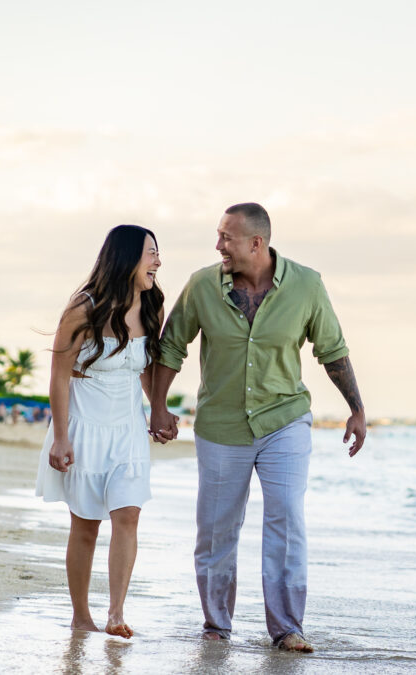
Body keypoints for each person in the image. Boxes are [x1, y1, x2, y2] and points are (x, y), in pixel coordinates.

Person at [148, 202, 366, 653]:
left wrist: (357, 409)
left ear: (256, 242)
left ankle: (287, 628)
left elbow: (334, 351)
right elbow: (171, 346)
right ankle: (216, 625)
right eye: (218, 236)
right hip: (221, 424)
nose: (218, 245)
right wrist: (158, 407)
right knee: (216, 528)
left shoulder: (307, 285)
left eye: (226, 237)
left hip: (284, 420)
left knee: (286, 517)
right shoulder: (202, 285)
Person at [35, 224, 164, 638]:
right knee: (86, 525)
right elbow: (58, 378)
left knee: (128, 516)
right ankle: (81, 615)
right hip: (85, 429)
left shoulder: (151, 307)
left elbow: (143, 370)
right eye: (151, 253)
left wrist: (158, 410)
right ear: (126, 258)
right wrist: (60, 437)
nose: (158, 262)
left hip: (128, 430)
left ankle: (116, 613)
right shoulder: (83, 308)